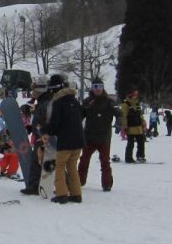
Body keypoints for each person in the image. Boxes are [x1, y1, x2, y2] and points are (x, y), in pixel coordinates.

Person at [41, 75, 85, 203]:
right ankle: (76, 194)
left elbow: (55, 124)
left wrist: (45, 130)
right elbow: (82, 115)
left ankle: (62, 194)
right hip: (78, 140)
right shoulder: (75, 101)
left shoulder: (59, 103)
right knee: (72, 166)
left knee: (59, 166)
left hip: (65, 141)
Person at [77, 77, 119, 192]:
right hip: (89, 136)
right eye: (95, 87)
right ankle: (79, 181)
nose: (98, 89)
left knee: (105, 161)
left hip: (104, 136)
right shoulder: (87, 101)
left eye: (100, 87)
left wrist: (119, 122)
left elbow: (118, 113)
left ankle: (107, 184)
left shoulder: (108, 101)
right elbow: (80, 115)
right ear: (92, 88)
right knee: (84, 160)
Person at [22, 75, 51, 195]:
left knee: (42, 161)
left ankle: (35, 186)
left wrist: (41, 132)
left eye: (34, 88)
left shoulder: (46, 102)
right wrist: (31, 128)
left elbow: (45, 120)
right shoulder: (42, 101)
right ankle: (35, 186)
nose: (32, 91)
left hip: (44, 136)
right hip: (41, 134)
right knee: (39, 161)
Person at [120, 90, 146, 163]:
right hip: (130, 127)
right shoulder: (125, 105)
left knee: (141, 142)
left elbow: (140, 115)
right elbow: (123, 116)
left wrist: (143, 122)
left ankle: (140, 156)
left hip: (139, 127)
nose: (136, 96)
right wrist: (125, 126)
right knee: (130, 143)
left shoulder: (137, 104)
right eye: (134, 94)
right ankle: (128, 158)